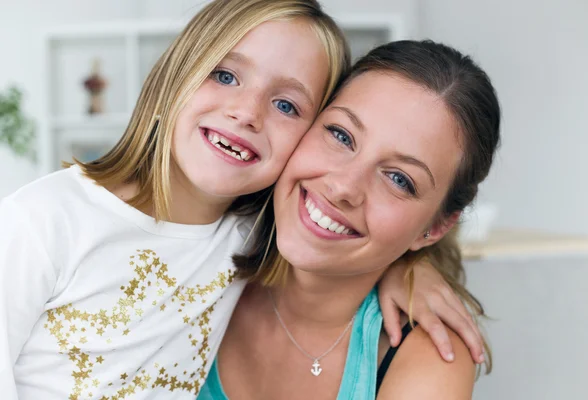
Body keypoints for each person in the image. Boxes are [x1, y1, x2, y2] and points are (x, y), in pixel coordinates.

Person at [0, 1, 484, 399]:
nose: (247, 112)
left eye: (287, 105)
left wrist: (413, 268)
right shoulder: (42, 221)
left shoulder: (246, 234)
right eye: (225, 76)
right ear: (177, 70)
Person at [198, 39, 500, 399]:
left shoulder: (428, 357)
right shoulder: (200, 256)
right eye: (341, 135)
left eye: (399, 179)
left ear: (435, 227)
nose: (343, 186)